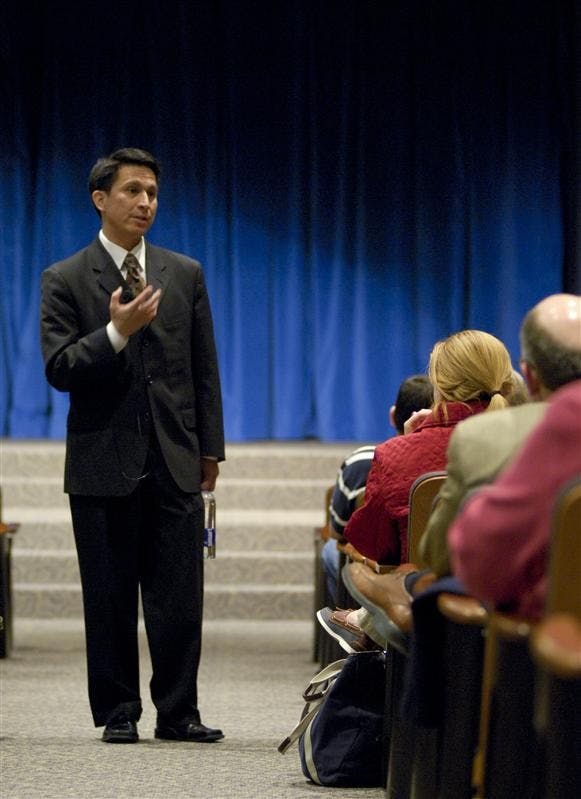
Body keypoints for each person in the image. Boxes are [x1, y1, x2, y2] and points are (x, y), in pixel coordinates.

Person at [40, 148, 225, 744]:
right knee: (109, 595)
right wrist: (116, 332)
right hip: (101, 461)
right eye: (133, 191)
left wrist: (210, 451)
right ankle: (118, 712)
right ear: (101, 198)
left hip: (174, 457)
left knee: (179, 597)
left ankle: (180, 712)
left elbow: (204, 370)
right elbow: (61, 366)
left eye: (152, 192)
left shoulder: (184, 273)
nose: (145, 202)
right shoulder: (65, 278)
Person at [334, 293, 581, 645]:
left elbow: (438, 553)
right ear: (516, 379)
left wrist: (407, 444)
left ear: (531, 375)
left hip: (515, 632)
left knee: (399, 579)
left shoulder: (481, 440)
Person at [317, 329, 516, 651]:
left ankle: (365, 627)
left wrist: (402, 444)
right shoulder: (539, 445)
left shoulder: (397, 454)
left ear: (439, 385)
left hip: (429, 606)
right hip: (524, 606)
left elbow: (373, 546)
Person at [321, 375, 433, 604]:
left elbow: (340, 533)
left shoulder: (363, 462)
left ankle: (348, 618)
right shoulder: (453, 457)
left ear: (393, 416)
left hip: (380, 565)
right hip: (442, 568)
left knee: (330, 550)